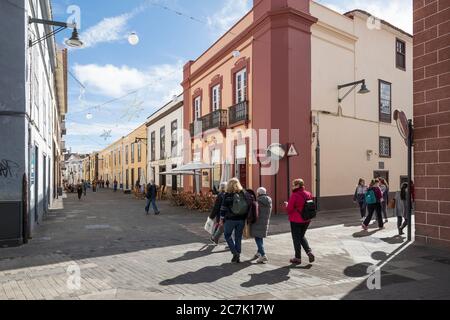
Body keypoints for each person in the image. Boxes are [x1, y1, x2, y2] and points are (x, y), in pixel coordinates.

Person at [219, 178, 253, 263]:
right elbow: (250, 202)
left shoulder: (227, 194)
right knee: (238, 237)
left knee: (227, 235)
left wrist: (221, 219)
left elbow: (223, 208)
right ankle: (238, 255)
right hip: (241, 219)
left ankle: (235, 253)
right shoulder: (244, 193)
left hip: (230, 219)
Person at [285, 179, 315, 265]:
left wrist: (287, 205)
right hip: (306, 219)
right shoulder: (308, 193)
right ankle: (309, 252)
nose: (292, 186)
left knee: (296, 238)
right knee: (301, 236)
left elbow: (289, 210)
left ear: (297, 185)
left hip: (296, 220)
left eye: (294, 185)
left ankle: (297, 258)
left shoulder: (294, 195)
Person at [250, 187, 272, 264]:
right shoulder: (269, 200)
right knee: (260, 237)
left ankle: (263, 255)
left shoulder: (258, 201)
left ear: (258, 193)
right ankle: (259, 252)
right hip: (265, 222)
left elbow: (255, 212)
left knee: (257, 238)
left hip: (258, 222)